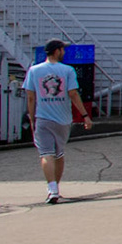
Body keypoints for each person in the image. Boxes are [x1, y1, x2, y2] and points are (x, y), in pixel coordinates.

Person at [25, 39, 88, 205]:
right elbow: (73, 94)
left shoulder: (34, 70)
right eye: (63, 50)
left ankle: (52, 189)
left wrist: (32, 118)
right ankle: (56, 187)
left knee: (46, 154)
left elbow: (31, 97)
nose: (64, 52)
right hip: (63, 119)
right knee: (59, 153)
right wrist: (85, 115)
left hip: (42, 117)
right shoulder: (67, 70)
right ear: (57, 51)